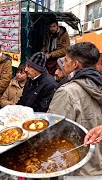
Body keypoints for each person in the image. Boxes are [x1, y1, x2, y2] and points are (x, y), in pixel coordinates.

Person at [48, 42, 102, 176]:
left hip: (78, 168)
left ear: (75, 64)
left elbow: (52, 132)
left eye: (66, 60)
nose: (64, 64)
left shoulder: (67, 92)